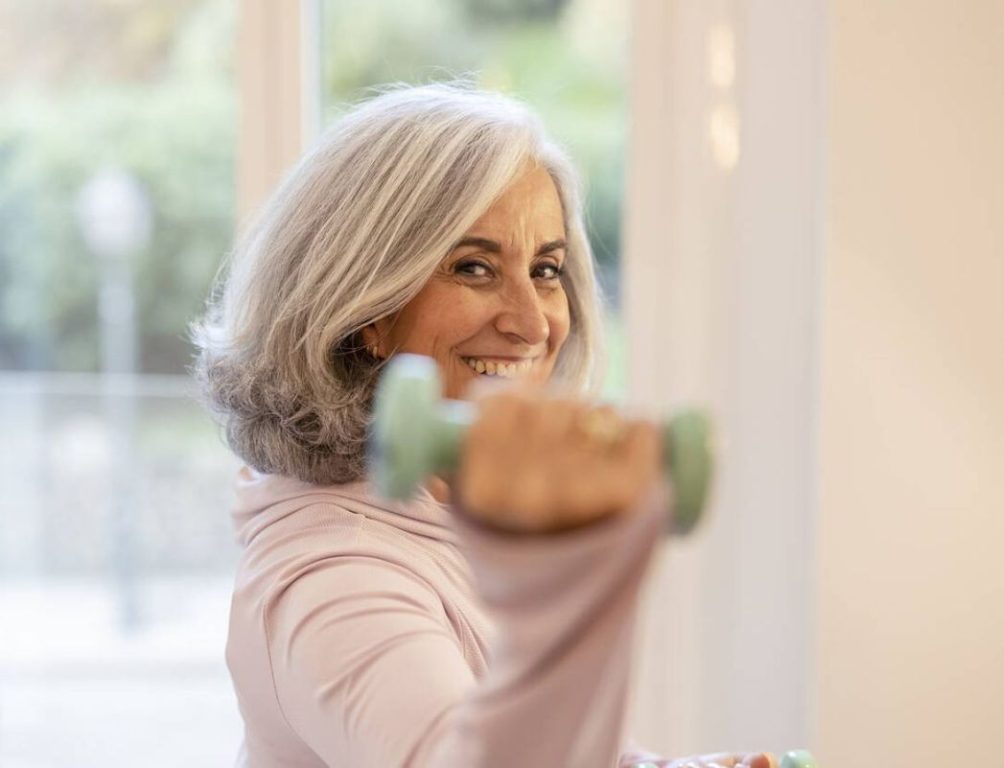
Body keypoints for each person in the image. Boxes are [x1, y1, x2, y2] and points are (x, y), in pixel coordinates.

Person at [191, 83, 774, 768]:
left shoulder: (444, 516)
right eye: (474, 268)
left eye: (546, 270)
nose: (532, 323)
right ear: (369, 312)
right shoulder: (334, 577)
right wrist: (574, 565)